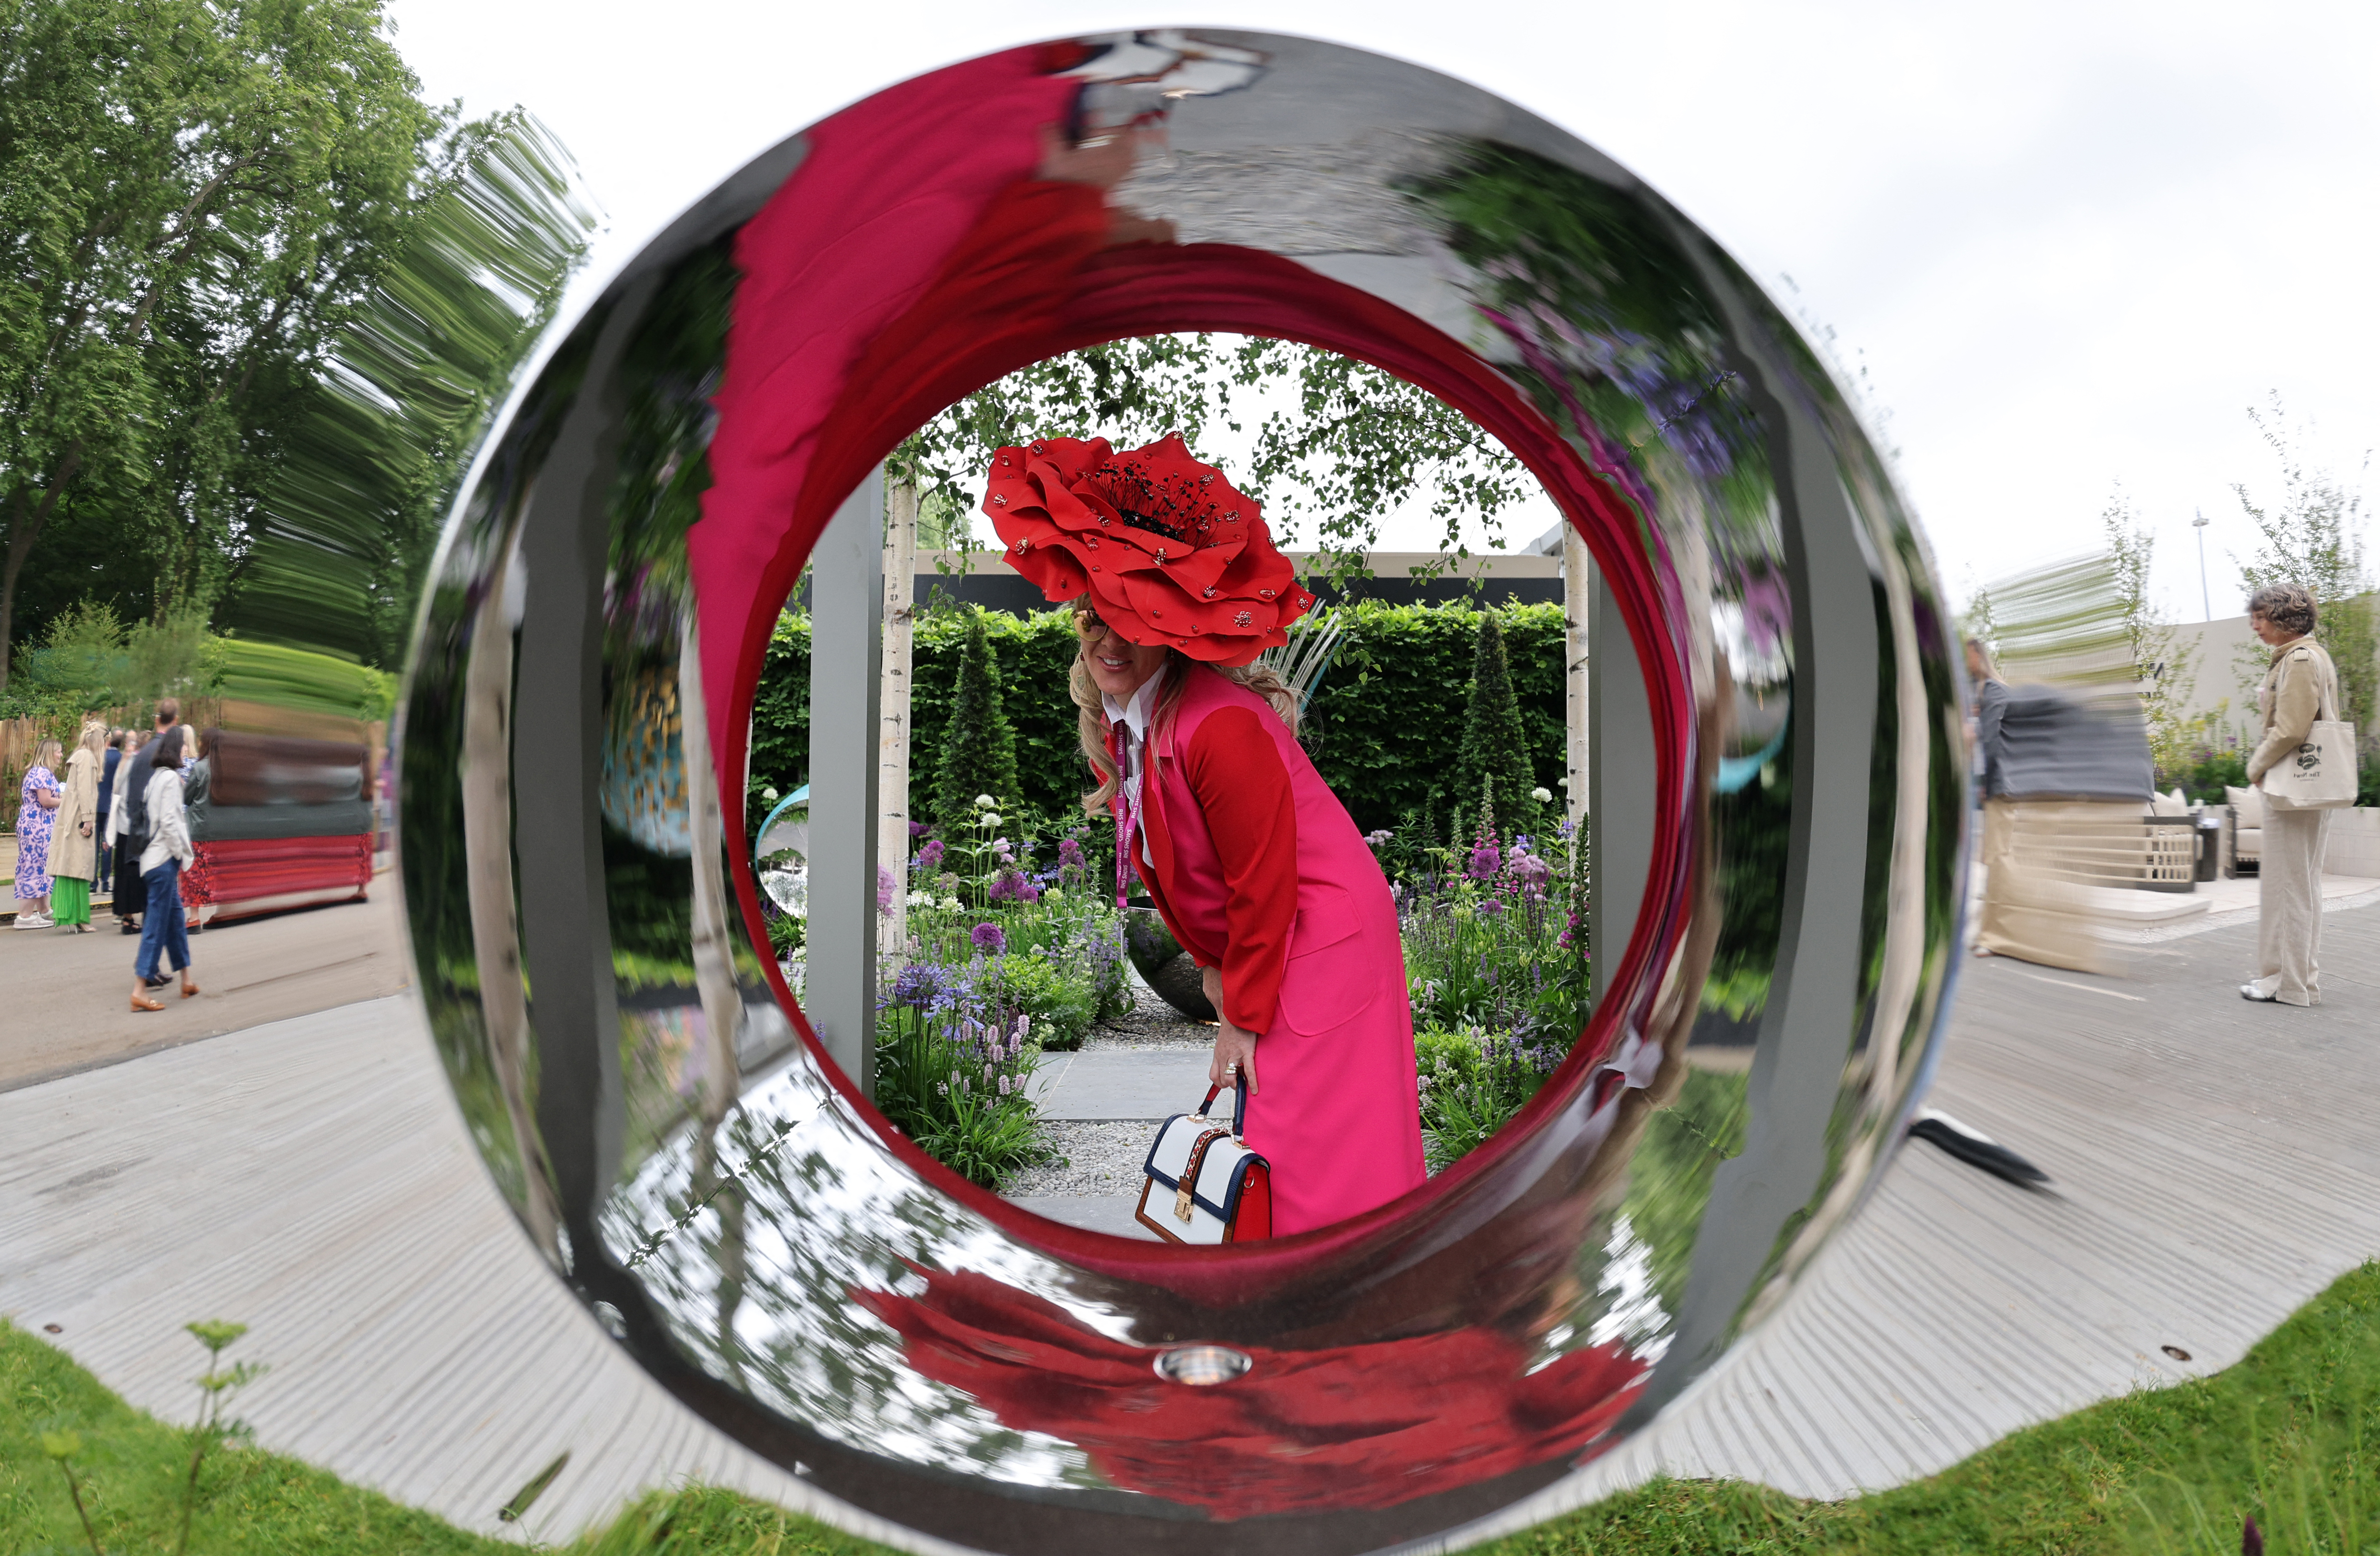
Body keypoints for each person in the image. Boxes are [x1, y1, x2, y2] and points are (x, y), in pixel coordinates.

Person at [982, 432, 1426, 1237]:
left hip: (1318, 939)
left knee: (1314, 1154)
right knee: (1281, 1143)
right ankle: (1294, 1310)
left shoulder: (1217, 723)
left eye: (1129, 622)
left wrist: (1239, 1010)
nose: (1108, 642)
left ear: (1170, 625)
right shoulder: (1143, 724)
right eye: (1093, 619)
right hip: (1285, 941)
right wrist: (1221, 976)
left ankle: (1322, 1319)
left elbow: (1264, 878)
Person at [2240, 583, 2341, 1007]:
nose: (2255, 626)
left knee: (2287, 887)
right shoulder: (2310, 656)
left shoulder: (2298, 660)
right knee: (2303, 886)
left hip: (2291, 788)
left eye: (2260, 618)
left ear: (2283, 618)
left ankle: (2283, 981)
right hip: (2308, 787)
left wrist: (2256, 765)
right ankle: (2300, 980)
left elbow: (2292, 729)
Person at [130, 724, 198, 1012]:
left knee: (173, 922)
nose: (186, 749)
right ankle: (139, 991)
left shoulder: (157, 777)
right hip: (162, 861)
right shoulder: (170, 779)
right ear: (176, 748)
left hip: (153, 860)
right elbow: (171, 824)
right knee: (157, 927)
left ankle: (186, 980)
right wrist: (184, 855)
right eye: (184, 745)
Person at [114, 700, 179, 936]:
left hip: (138, 826)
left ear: (156, 719)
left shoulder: (144, 753)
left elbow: (132, 794)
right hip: (156, 834)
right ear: (176, 721)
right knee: (161, 911)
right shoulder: (164, 753)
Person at [46, 721, 107, 933]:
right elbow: (85, 791)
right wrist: (89, 819)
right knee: (79, 867)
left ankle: (71, 914)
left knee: (71, 866)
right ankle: (79, 916)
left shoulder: (80, 755)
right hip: (78, 819)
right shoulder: (88, 757)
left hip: (71, 817)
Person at [13, 738, 65, 928]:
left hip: (36, 826)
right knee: (35, 867)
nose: (61, 755)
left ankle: (44, 909)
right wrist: (66, 799)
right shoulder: (42, 772)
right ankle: (25, 916)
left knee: (42, 866)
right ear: (49, 753)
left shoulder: (38, 772)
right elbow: (45, 800)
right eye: (58, 752)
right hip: (38, 828)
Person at [96, 726, 125, 898]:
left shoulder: (100, 757)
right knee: (107, 844)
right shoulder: (120, 759)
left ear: (108, 741)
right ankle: (106, 882)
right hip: (111, 805)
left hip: (97, 802)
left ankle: (92, 883)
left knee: (93, 845)